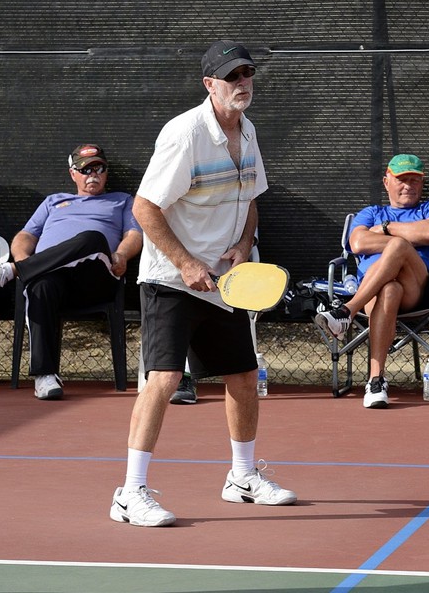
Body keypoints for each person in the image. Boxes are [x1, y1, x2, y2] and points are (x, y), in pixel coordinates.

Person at [110, 40, 296, 528]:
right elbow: (144, 208)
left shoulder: (248, 132)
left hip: (223, 282)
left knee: (242, 376)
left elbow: (251, 197)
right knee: (164, 380)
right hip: (171, 279)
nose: (242, 83)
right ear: (209, 84)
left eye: (247, 74)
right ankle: (130, 494)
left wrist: (242, 245)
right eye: (232, 76)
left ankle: (241, 478)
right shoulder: (184, 134)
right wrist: (187, 263)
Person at [0, 144, 143, 400]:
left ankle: (13, 271)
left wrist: (121, 255)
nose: (93, 175)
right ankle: (45, 376)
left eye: (99, 168)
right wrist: (22, 255)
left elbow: (134, 234)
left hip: (94, 276)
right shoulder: (53, 201)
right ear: (73, 173)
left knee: (92, 237)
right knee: (40, 286)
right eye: (86, 169)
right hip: (53, 278)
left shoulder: (122, 200)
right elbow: (25, 236)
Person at [315, 154, 429, 409]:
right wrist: (414, 233)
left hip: (418, 292)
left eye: (414, 180)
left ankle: (346, 311)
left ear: (422, 184)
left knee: (398, 246)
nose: (408, 185)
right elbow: (357, 243)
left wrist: (385, 230)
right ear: (386, 181)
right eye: (401, 179)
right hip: (375, 293)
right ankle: (376, 382)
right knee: (389, 288)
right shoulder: (371, 212)